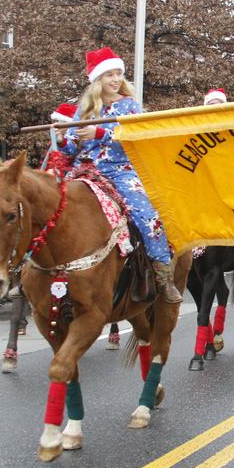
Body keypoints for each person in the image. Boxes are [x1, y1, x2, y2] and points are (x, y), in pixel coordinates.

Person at [59, 47, 181, 303]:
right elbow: (71, 147)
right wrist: (62, 138)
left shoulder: (129, 106)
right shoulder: (84, 110)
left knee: (149, 217)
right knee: (49, 206)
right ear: (97, 80)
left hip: (119, 171)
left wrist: (99, 133)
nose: (115, 79)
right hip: (84, 170)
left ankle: (162, 275)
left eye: (118, 74)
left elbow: (136, 137)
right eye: (109, 75)